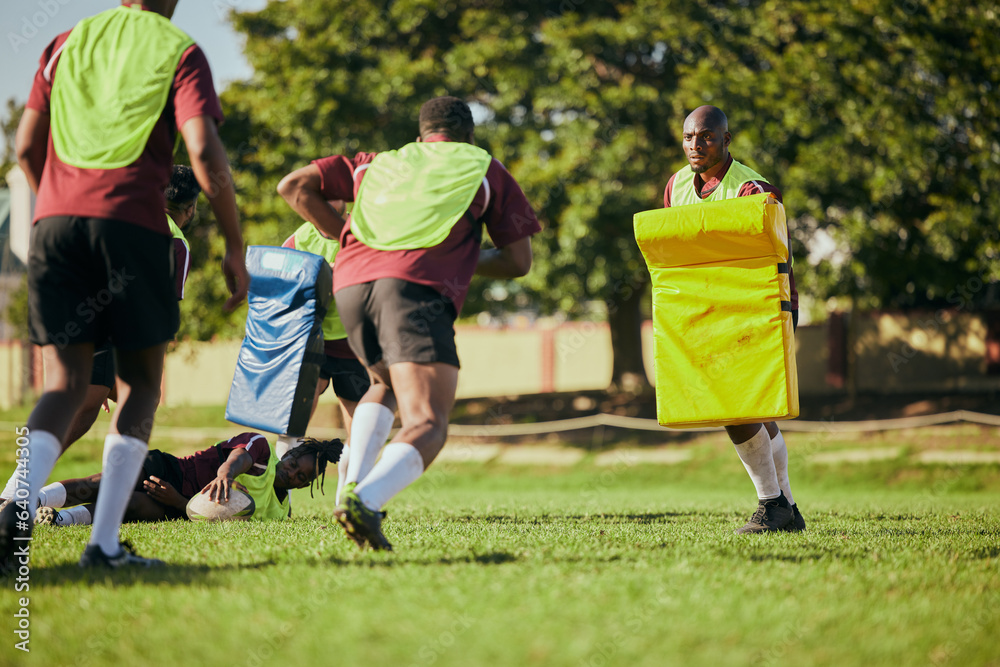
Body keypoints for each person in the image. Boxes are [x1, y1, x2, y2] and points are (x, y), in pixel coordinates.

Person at [2, 1, 249, 572]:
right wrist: (236, 244)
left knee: (60, 390)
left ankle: (9, 516)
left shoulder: (64, 43)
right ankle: (104, 547)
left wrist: (54, 210)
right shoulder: (178, 49)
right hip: (131, 227)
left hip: (56, 225)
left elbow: (24, 148)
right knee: (139, 390)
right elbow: (205, 151)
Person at [279, 96, 540, 550]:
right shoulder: (484, 168)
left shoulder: (375, 163)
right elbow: (518, 261)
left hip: (351, 286)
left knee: (382, 382)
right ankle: (366, 500)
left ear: (420, 137)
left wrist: (343, 234)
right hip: (414, 292)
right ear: (469, 137)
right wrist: (451, 258)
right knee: (429, 422)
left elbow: (294, 186)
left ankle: (347, 490)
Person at [0, 165, 200, 514]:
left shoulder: (120, 216)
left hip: (70, 312)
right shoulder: (174, 241)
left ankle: (21, 493)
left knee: (77, 407)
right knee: (104, 410)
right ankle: (19, 495)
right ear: (191, 207)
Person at [663, 105, 804, 534]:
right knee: (752, 410)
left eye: (705, 136)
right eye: (689, 137)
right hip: (706, 309)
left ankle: (771, 504)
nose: (695, 145)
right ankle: (788, 510)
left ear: (726, 139)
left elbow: (772, 258)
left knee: (734, 405)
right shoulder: (675, 186)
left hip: (758, 306)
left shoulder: (754, 188)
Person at [272, 214, 372, 501]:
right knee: (294, 420)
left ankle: (348, 498)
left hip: (353, 342)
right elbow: (279, 284)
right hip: (311, 339)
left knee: (359, 424)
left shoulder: (363, 232)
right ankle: (282, 497)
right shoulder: (299, 239)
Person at [33, 434, 342, 526]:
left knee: (132, 506)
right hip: (172, 470)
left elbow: (223, 519)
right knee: (105, 483)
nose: (292, 474)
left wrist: (179, 502)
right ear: (288, 454)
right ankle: (32, 499)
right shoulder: (261, 449)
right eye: (293, 465)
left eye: (301, 478)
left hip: (178, 504)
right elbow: (239, 458)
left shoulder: (280, 512)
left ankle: (59, 519)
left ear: (305, 486)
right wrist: (225, 474)